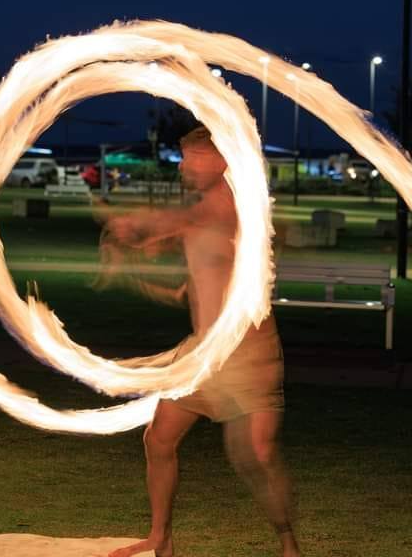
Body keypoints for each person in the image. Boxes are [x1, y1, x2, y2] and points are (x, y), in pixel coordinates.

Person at [101, 126, 300, 557]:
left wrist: (140, 225)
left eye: (193, 157)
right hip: (202, 354)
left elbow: (205, 226)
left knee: (256, 455)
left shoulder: (234, 212)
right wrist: (139, 264)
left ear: (223, 160)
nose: (185, 166)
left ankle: (289, 546)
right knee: (158, 439)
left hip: (248, 355)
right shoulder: (200, 212)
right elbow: (194, 280)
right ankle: (161, 538)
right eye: (184, 156)